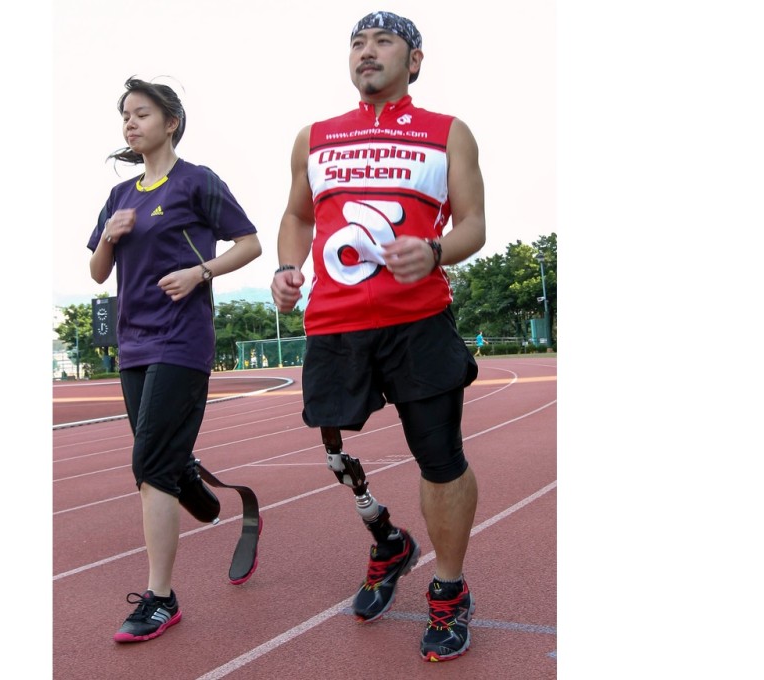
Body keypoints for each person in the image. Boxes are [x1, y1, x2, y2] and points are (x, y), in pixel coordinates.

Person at [270, 11, 486, 662]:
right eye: (358, 42)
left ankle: (449, 588)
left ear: (412, 60)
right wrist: (287, 267)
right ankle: (386, 537)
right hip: (335, 324)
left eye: (383, 41)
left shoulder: (448, 133)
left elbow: (474, 225)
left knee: (439, 455)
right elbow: (296, 214)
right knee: (331, 444)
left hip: (417, 320)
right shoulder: (315, 136)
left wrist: (437, 250)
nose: (367, 51)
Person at [88, 77, 262, 643]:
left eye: (142, 114)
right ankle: (183, 468)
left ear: (171, 122)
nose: (131, 124)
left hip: (182, 340)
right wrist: (109, 239)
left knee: (149, 468)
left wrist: (200, 272)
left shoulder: (197, 182)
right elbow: (96, 272)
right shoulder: (119, 198)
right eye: (125, 117)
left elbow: (248, 243)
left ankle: (161, 598)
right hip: (132, 343)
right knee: (156, 461)